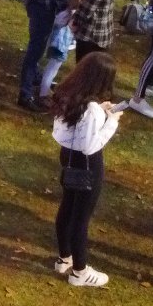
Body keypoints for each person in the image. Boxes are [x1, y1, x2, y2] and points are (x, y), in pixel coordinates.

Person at [50, 51, 123, 288]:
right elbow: (90, 145)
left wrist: (99, 110)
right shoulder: (90, 110)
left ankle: (64, 258)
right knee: (81, 217)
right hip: (88, 164)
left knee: (67, 206)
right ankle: (80, 271)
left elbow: (61, 131)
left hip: (68, 156)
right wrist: (111, 121)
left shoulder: (67, 95)